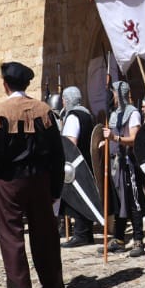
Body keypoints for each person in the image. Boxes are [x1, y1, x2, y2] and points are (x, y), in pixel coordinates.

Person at [0, 62, 67, 288]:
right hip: (40, 180)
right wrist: (55, 188)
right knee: (46, 237)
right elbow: (57, 154)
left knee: (12, 239)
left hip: (10, 181)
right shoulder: (45, 110)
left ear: (5, 84)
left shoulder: (0, 112)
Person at [103, 80, 145, 257]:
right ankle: (119, 239)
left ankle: (138, 241)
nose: (111, 96)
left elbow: (135, 138)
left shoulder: (132, 113)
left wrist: (115, 138)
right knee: (119, 203)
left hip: (129, 163)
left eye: (113, 93)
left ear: (119, 94)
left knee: (134, 202)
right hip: (116, 164)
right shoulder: (115, 114)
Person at [58, 85, 98, 248]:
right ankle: (86, 233)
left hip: (76, 164)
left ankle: (81, 234)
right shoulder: (88, 114)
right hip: (87, 161)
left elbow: (70, 143)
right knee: (85, 198)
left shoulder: (73, 116)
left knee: (78, 199)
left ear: (67, 100)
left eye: (63, 99)